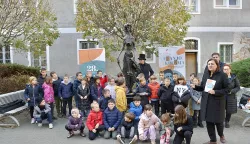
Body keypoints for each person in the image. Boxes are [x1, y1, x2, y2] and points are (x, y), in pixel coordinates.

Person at [191, 58, 229, 144]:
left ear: (217, 65)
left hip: (218, 102)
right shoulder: (205, 74)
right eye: (209, 64)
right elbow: (204, 88)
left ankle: (221, 135)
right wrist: (196, 87)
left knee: (218, 121)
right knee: (209, 122)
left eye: (212, 64)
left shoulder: (222, 75)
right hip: (207, 101)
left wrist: (216, 92)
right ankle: (213, 140)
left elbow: (227, 89)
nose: (210, 65)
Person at [223, 64, 240, 128]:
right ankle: (221, 121)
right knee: (221, 109)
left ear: (230, 70)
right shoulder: (221, 77)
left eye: (227, 69)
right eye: (224, 69)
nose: (226, 70)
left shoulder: (234, 77)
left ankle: (227, 121)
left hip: (231, 96)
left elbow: (238, 87)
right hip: (222, 96)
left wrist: (231, 91)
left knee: (229, 110)